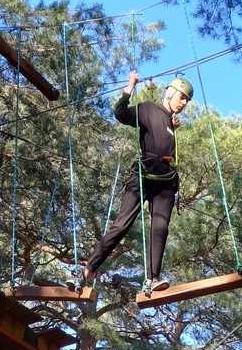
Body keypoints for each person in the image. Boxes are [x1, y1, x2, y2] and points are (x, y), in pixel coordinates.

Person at [70, 69, 194, 292]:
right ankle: (88, 271)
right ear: (169, 93)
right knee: (121, 225)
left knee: (160, 226)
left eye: (187, 101)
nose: (183, 103)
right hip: (144, 175)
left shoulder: (171, 122)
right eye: (181, 97)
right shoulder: (148, 109)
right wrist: (130, 86)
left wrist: (172, 125)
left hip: (165, 181)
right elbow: (120, 113)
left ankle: (152, 279)